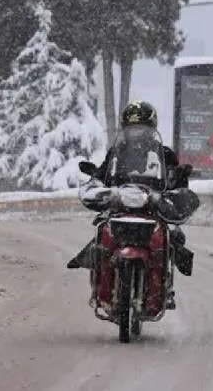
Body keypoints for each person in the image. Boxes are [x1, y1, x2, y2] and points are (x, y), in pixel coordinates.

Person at [66, 100, 198, 309]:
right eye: (132, 129)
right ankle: (100, 284)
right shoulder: (117, 152)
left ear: (151, 129)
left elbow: (174, 180)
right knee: (101, 231)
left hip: (151, 207)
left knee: (174, 237)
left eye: (142, 129)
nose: (137, 133)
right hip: (120, 206)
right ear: (124, 129)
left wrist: (179, 178)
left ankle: (165, 287)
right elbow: (104, 175)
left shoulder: (164, 154)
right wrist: (97, 179)